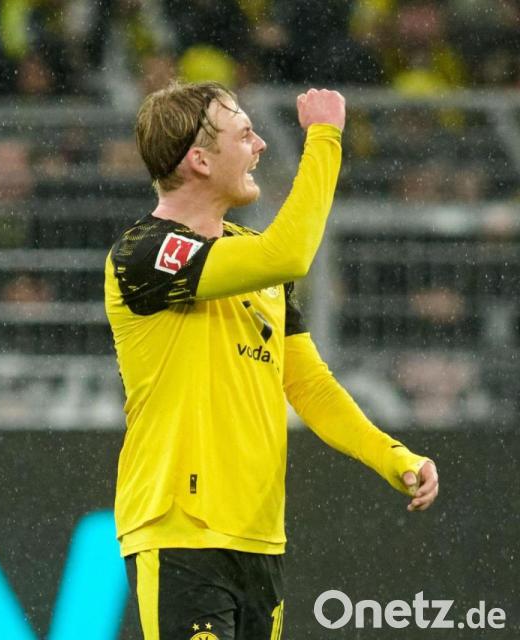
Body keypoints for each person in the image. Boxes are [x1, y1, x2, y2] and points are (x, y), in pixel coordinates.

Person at [103, 81, 440, 639]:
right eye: (245, 134)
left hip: (260, 540)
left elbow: (309, 385)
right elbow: (288, 253)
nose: (260, 145)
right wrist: (324, 136)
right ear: (200, 160)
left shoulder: (255, 264)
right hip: (180, 532)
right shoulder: (144, 253)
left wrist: (392, 456)